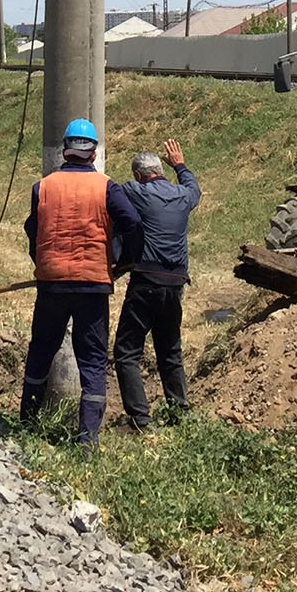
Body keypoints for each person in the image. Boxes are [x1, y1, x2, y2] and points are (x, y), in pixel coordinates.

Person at [20, 118, 143, 450]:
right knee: (92, 361)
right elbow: (133, 224)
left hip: (52, 283)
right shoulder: (107, 188)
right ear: (93, 153)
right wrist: (124, 261)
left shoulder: (42, 187)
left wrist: (42, 262)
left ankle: (27, 427)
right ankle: (87, 441)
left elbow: (33, 231)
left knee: (41, 351)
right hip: (92, 284)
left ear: (65, 151)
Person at [112, 137, 200, 431]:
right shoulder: (183, 195)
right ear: (161, 171)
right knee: (170, 350)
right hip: (175, 284)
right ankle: (180, 414)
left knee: (126, 352)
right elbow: (194, 189)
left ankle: (141, 419)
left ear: (139, 175)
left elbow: (112, 196)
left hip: (146, 281)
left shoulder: (135, 191)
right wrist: (180, 165)